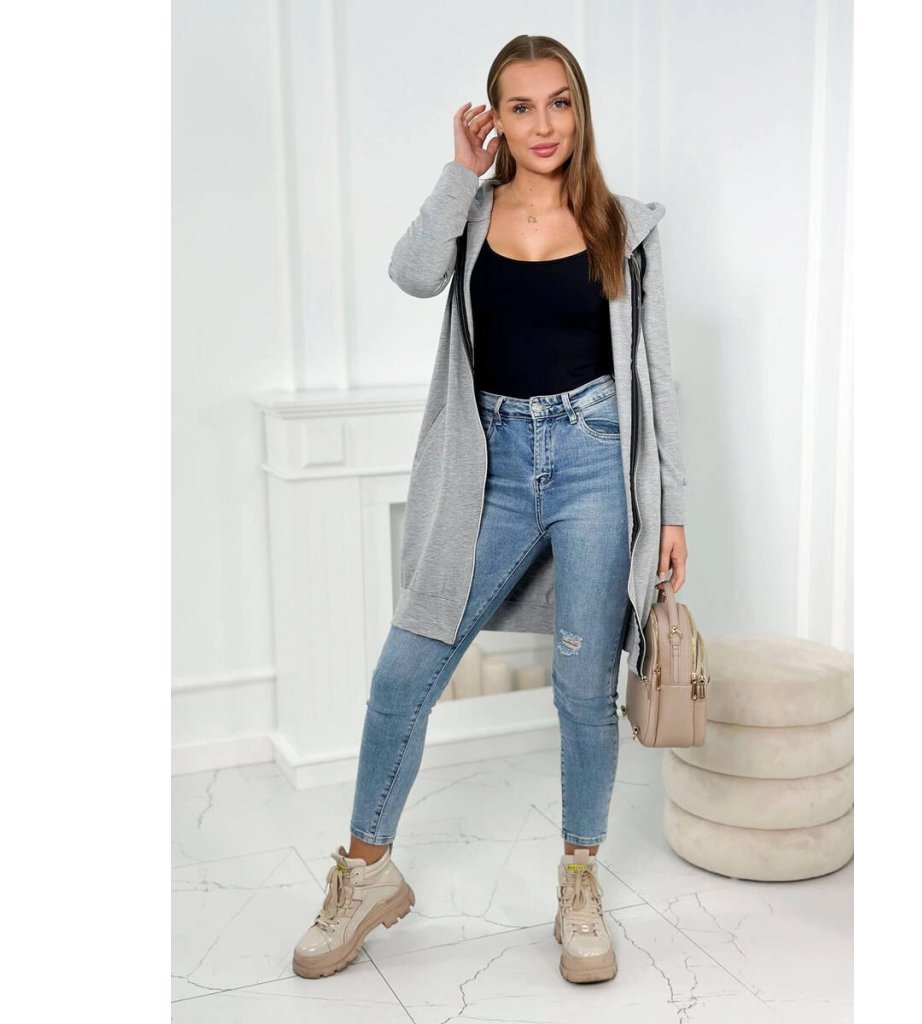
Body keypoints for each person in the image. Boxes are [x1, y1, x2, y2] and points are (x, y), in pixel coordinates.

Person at [292, 34, 689, 986]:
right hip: (492, 466)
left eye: (560, 103)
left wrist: (672, 506)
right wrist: (455, 174)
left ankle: (580, 882)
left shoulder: (624, 225)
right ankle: (367, 871)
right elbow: (410, 273)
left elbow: (658, 373)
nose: (544, 125)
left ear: (580, 110)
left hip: (595, 461)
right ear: (495, 120)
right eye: (521, 107)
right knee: (406, 669)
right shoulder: (470, 213)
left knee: (582, 690)